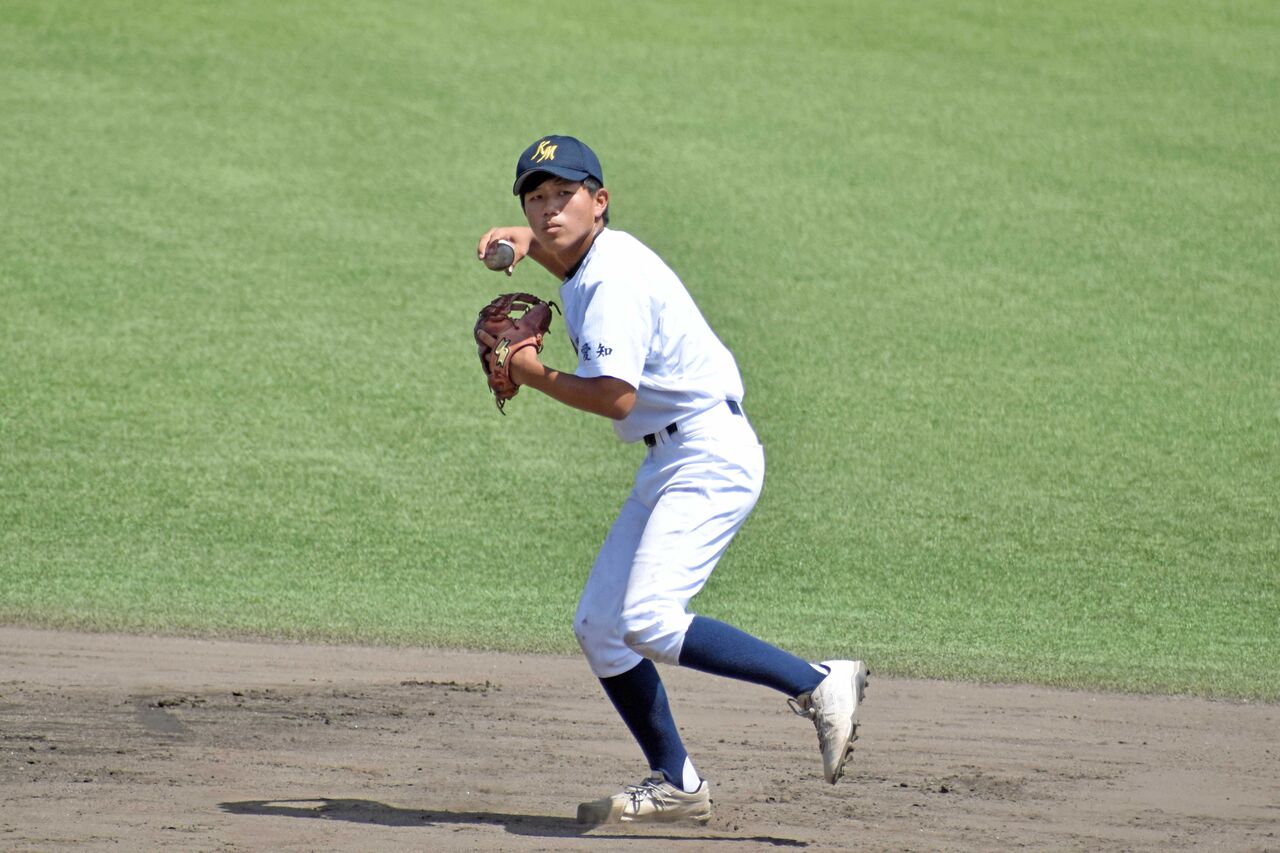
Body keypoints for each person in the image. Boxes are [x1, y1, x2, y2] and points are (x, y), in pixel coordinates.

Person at [476, 135, 868, 826]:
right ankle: (679, 784)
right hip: (672, 458)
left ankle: (816, 682)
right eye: (536, 198)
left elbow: (616, 397)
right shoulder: (595, 259)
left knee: (650, 620)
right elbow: (565, 259)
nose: (548, 209)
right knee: (601, 626)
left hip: (710, 456)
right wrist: (527, 244)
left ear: (600, 200)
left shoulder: (612, 281)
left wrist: (530, 371)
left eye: (564, 194)